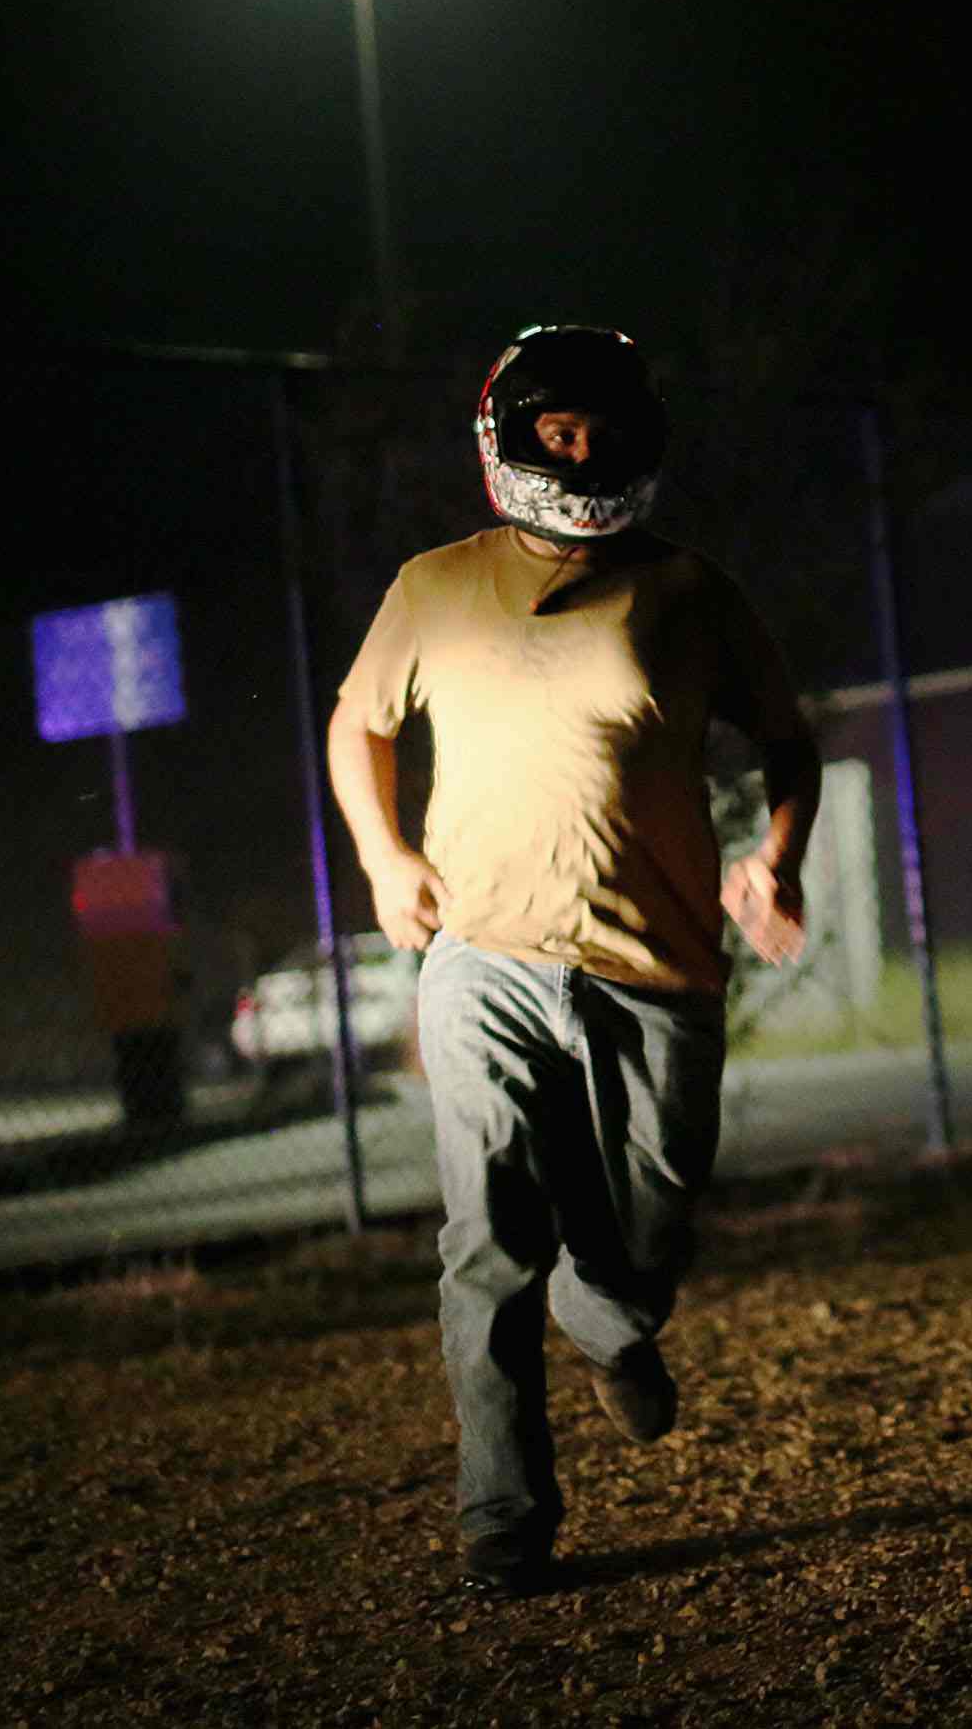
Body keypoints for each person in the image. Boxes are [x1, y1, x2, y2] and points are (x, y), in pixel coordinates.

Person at [328, 325, 817, 1599]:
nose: (580, 446)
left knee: (652, 1216)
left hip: (655, 963)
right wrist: (385, 859)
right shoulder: (433, 585)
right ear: (508, 434)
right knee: (486, 1236)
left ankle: (609, 1318)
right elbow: (354, 724)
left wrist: (778, 854)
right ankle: (503, 1516)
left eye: (599, 426)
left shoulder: (689, 590)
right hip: (480, 957)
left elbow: (785, 737)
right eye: (557, 427)